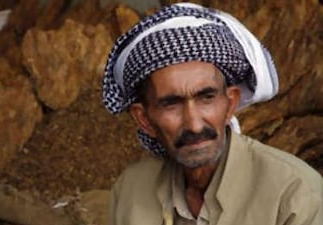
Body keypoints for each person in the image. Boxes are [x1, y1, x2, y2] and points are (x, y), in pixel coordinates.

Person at [102, 3, 323, 225]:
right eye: (171, 104)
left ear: (230, 104)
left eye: (206, 98)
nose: (194, 125)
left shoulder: (294, 196)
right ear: (144, 119)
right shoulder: (130, 191)